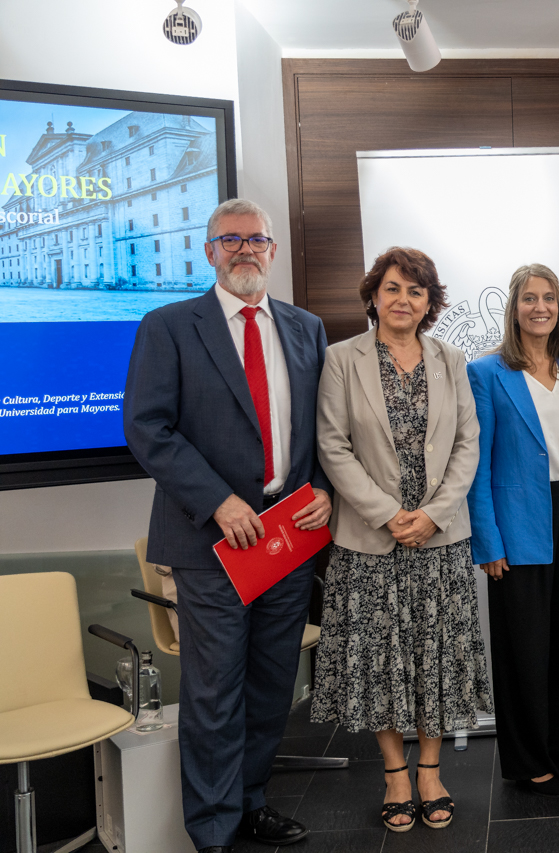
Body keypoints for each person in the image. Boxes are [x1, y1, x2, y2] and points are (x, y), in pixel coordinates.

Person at [123, 198, 332, 852]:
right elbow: (146, 427)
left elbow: (325, 429)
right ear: (208, 251)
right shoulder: (169, 326)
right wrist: (217, 499)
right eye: (231, 239)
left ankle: (250, 803)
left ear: (273, 251)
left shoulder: (306, 328)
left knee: (272, 685)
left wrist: (324, 489)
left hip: (286, 540)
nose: (246, 249)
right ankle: (212, 831)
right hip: (210, 543)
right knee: (214, 694)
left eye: (257, 239)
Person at [310, 247, 490, 832]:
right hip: (369, 538)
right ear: (373, 296)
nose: (402, 301)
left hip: (439, 538)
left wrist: (433, 514)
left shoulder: (452, 358)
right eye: (392, 289)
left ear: (430, 303)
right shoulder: (341, 359)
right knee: (380, 661)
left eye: (415, 292)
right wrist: (389, 513)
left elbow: (467, 444)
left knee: (434, 657)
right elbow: (332, 446)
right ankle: (394, 775)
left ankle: (432, 771)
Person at [466, 264, 559, 796]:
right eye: (529, 298)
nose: (540, 308)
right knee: (524, 649)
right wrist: (488, 541)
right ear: (514, 308)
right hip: (516, 523)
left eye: (549, 298)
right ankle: (529, 759)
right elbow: (476, 467)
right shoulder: (486, 373)